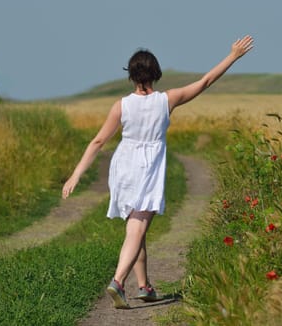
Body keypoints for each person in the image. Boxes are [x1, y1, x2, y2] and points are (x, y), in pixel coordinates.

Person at [62, 35, 254, 309]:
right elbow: (205, 82)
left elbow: (98, 142)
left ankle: (144, 286)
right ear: (156, 74)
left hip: (124, 165)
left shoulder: (121, 105)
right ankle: (118, 281)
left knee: (136, 227)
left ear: (131, 76)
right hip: (148, 167)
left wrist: (76, 174)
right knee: (138, 228)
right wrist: (232, 56)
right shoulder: (168, 99)